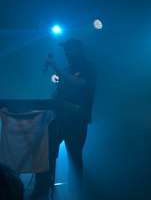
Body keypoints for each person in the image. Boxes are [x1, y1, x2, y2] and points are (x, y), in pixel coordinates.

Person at [30, 38, 97, 199]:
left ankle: (75, 194)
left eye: (70, 49)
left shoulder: (89, 67)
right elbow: (57, 93)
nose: (67, 53)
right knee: (46, 152)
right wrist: (44, 104)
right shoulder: (66, 69)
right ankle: (41, 192)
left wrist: (55, 66)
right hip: (60, 118)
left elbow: (80, 82)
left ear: (79, 50)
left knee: (74, 157)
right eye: (65, 50)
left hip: (77, 121)